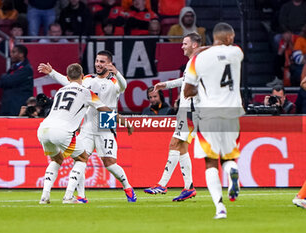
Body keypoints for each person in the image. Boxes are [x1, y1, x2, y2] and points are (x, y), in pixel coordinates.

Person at [38, 50, 137, 203]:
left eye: (102, 62)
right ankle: (81, 195)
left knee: (110, 163)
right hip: (88, 125)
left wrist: (117, 74)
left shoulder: (114, 80)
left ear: (110, 64)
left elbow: (124, 86)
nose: (98, 64)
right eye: (97, 61)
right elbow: (71, 82)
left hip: (106, 123)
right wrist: (52, 73)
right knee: (80, 159)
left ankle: (128, 187)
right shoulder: (88, 79)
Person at [184, 22, 245, 219]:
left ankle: (220, 207)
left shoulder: (198, 60)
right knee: (228, 158)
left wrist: (199, 88)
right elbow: (225, 49)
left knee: (210, 163)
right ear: (229, 38)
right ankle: (233, 170)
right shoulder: (237, 53)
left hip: (209, 113)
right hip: (232, 113)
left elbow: (187, 91)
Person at [144, 32, 202, 201]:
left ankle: (162, 184)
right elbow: (185, 81)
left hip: (190, 110)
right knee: (182, 149)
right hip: (187, 110)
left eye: (185, 43)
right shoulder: (192, 63)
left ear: (194, 45)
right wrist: (166, 85)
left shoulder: (197, 63)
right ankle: (189, 187)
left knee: (174, 143)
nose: (182, 46)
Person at [0, 44, 33, 116]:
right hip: (7, 105)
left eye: (14, 52)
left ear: (21, 54)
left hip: (17, 106)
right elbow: (1, 83)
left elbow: (9, 81)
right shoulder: (14, 67)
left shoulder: (26, 69)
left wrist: (4, 77)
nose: (11, 54)